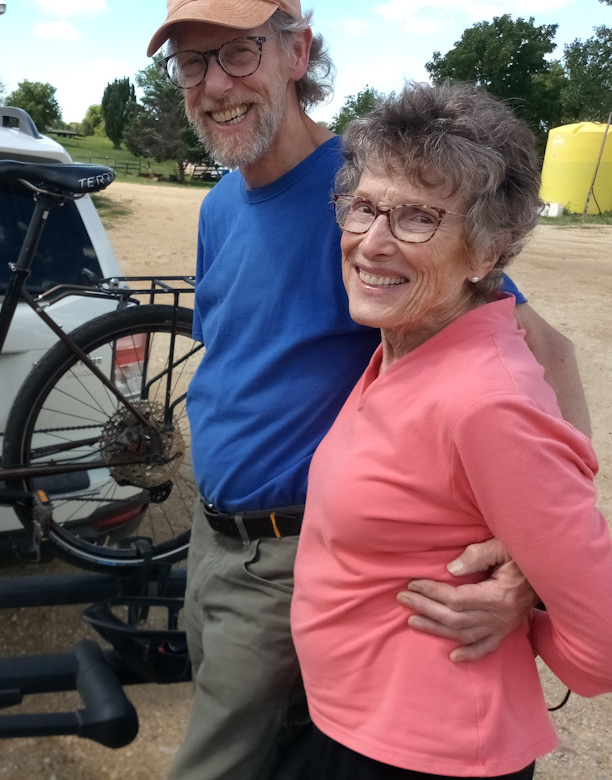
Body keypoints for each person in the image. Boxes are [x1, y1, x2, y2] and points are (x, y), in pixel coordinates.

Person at [145, 1, 593, 778]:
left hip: (290, 554)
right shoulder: (220, 205)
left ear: (296, 54)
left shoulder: (366, 193)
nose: (214, 84)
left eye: (238, 54)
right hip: (215, 539)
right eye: (192, 63)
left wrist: (529, 566)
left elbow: (543, 354)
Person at [290, 81, 612, 779]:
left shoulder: (483, 396)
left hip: (424, 752)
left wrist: (528, 617)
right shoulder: (413, 345)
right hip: (361, 723)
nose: (371, 243)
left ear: (489, 252)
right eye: (364, 207)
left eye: (417, 218)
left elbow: (603, 639)